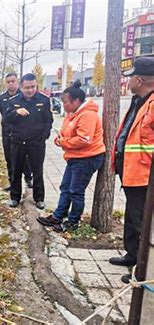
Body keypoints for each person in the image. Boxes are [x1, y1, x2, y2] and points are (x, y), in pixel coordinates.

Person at [108, 57, 154, 284]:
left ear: (139, 79)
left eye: (130, 78)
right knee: (131, 215)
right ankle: (132, 255)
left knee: (142, 221)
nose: (127, 82)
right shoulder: (139, 101)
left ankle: (144, 271)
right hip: (131, 171)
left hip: (145, 175)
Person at [37, 81, 105, 232]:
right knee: (65, 188)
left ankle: (73, 221)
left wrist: (64, 142)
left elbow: (84, 139)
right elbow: (63, 133)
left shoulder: (87, 115)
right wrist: (59, 140)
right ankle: (58, 216)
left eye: (66, 102)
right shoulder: (72, 114)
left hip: (87, 158)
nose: (64, 106)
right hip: (74, 157)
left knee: (76, 191)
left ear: (76, 101)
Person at [6, 73, 53, 209]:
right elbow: (7, 118)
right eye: (27, 87)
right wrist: (16, 112)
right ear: (21, 87)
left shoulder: (43, 100)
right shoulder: (14, 101)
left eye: (33, 87)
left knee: (37, 171)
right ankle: (15, 197)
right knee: (16, 171)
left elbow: (48, 121)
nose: (30, 90)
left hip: (36, 142)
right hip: (18, 141)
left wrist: (44, 137)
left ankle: (39, 198)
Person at [0, 73, 33, 191]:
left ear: (17, 82)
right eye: (8, 82)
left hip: (21, 132)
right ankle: (12, 183)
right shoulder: (2, 98)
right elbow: (4, 115)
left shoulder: (23, 96)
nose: (11, 84)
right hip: (7, 132)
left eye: (13, 81)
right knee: (9, 158)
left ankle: (28, 178)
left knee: (24, 158)